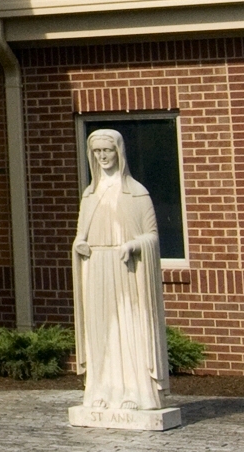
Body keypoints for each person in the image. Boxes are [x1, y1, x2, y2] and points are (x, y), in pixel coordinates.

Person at [71, 128, 171, 412]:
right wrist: (79, 245)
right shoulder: (89, 195)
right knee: (101, 332)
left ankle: (134, 391)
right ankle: (101, 390)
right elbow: (81, 235)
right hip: (98, 271)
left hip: (126, 272)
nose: (103, 156)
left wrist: (134, 245)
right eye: (97, 152)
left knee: (127, 330)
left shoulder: (136, 193)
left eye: (108, 151)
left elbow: (152, 235)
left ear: (119, 153)